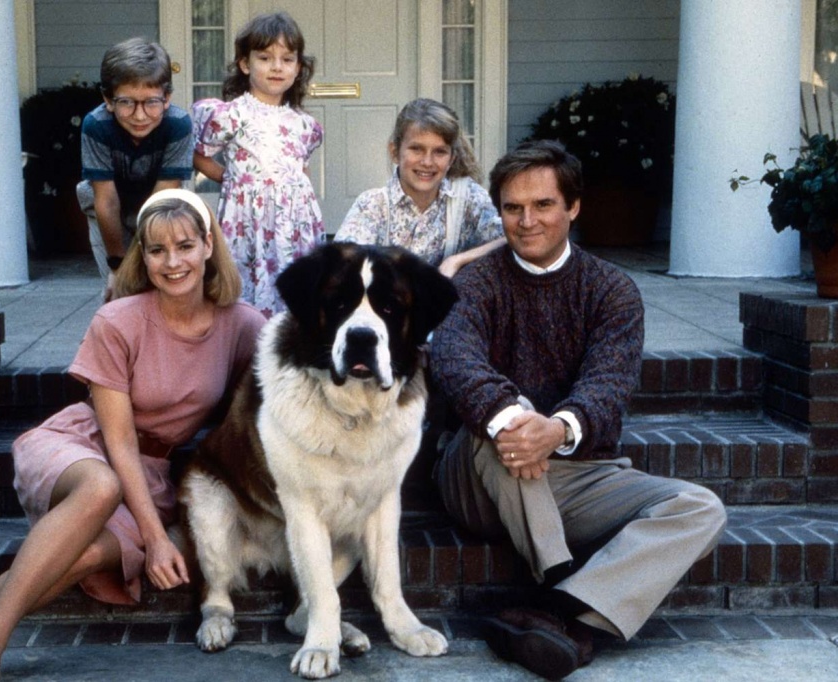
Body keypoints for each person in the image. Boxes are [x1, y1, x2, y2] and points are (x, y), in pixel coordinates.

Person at [0, 190, 265, 682]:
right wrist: (156, 538)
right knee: (101, 486)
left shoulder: (242, 325)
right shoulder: (118, 320)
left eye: (185, 246)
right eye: (157, 250)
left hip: (153, 477)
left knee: (83, 555)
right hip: (82, 447)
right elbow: (118, 442)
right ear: (143, 256)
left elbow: (257, 413)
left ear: (208, 246)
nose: (173, 262)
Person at [429, 140, 727, 680]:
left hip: (578, 473)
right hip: (478, 477)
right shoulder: (476, 283)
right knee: (506, 426)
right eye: (513, 208)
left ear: (574, 207)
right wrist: (515, 419)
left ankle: (561, 617)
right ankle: (558, 587)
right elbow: (453, 359)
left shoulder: (611, 290)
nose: (527, 221)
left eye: (543, 204)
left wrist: (559, 429)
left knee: (700, 509)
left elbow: (608, 386)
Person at [191, 11, 324, 316]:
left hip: (293, 223)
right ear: (245, 64)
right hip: (247, 219)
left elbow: (302, 169)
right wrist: (231, 179)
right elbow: (198, 154)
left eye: (287, 59)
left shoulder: (304, 124)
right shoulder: (231, 115)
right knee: (246, 291)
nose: (277, 67)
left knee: (294, 291)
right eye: (265, 58)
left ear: (298, 68)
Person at [76, 38, 194, 301]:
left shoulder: (178, 125)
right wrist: (117, 265)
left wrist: (146, 260)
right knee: (120, 291)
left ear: (167, 98)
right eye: (127, 102)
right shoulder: (96, 125)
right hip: (106, 210)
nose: (140, 116)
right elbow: (106, 201)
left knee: (157, 284)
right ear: (108, 99)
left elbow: (161, 199)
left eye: (151, 102)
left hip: (157, 205)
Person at [334, 98, 504, 278]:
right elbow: (340, 264)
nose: (427, 162)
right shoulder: (373, 205)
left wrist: (457, 260)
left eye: (439, 152)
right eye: (416, 149)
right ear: (395, 152)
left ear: (452, 158)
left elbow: (510, 239)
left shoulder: (468, 197)